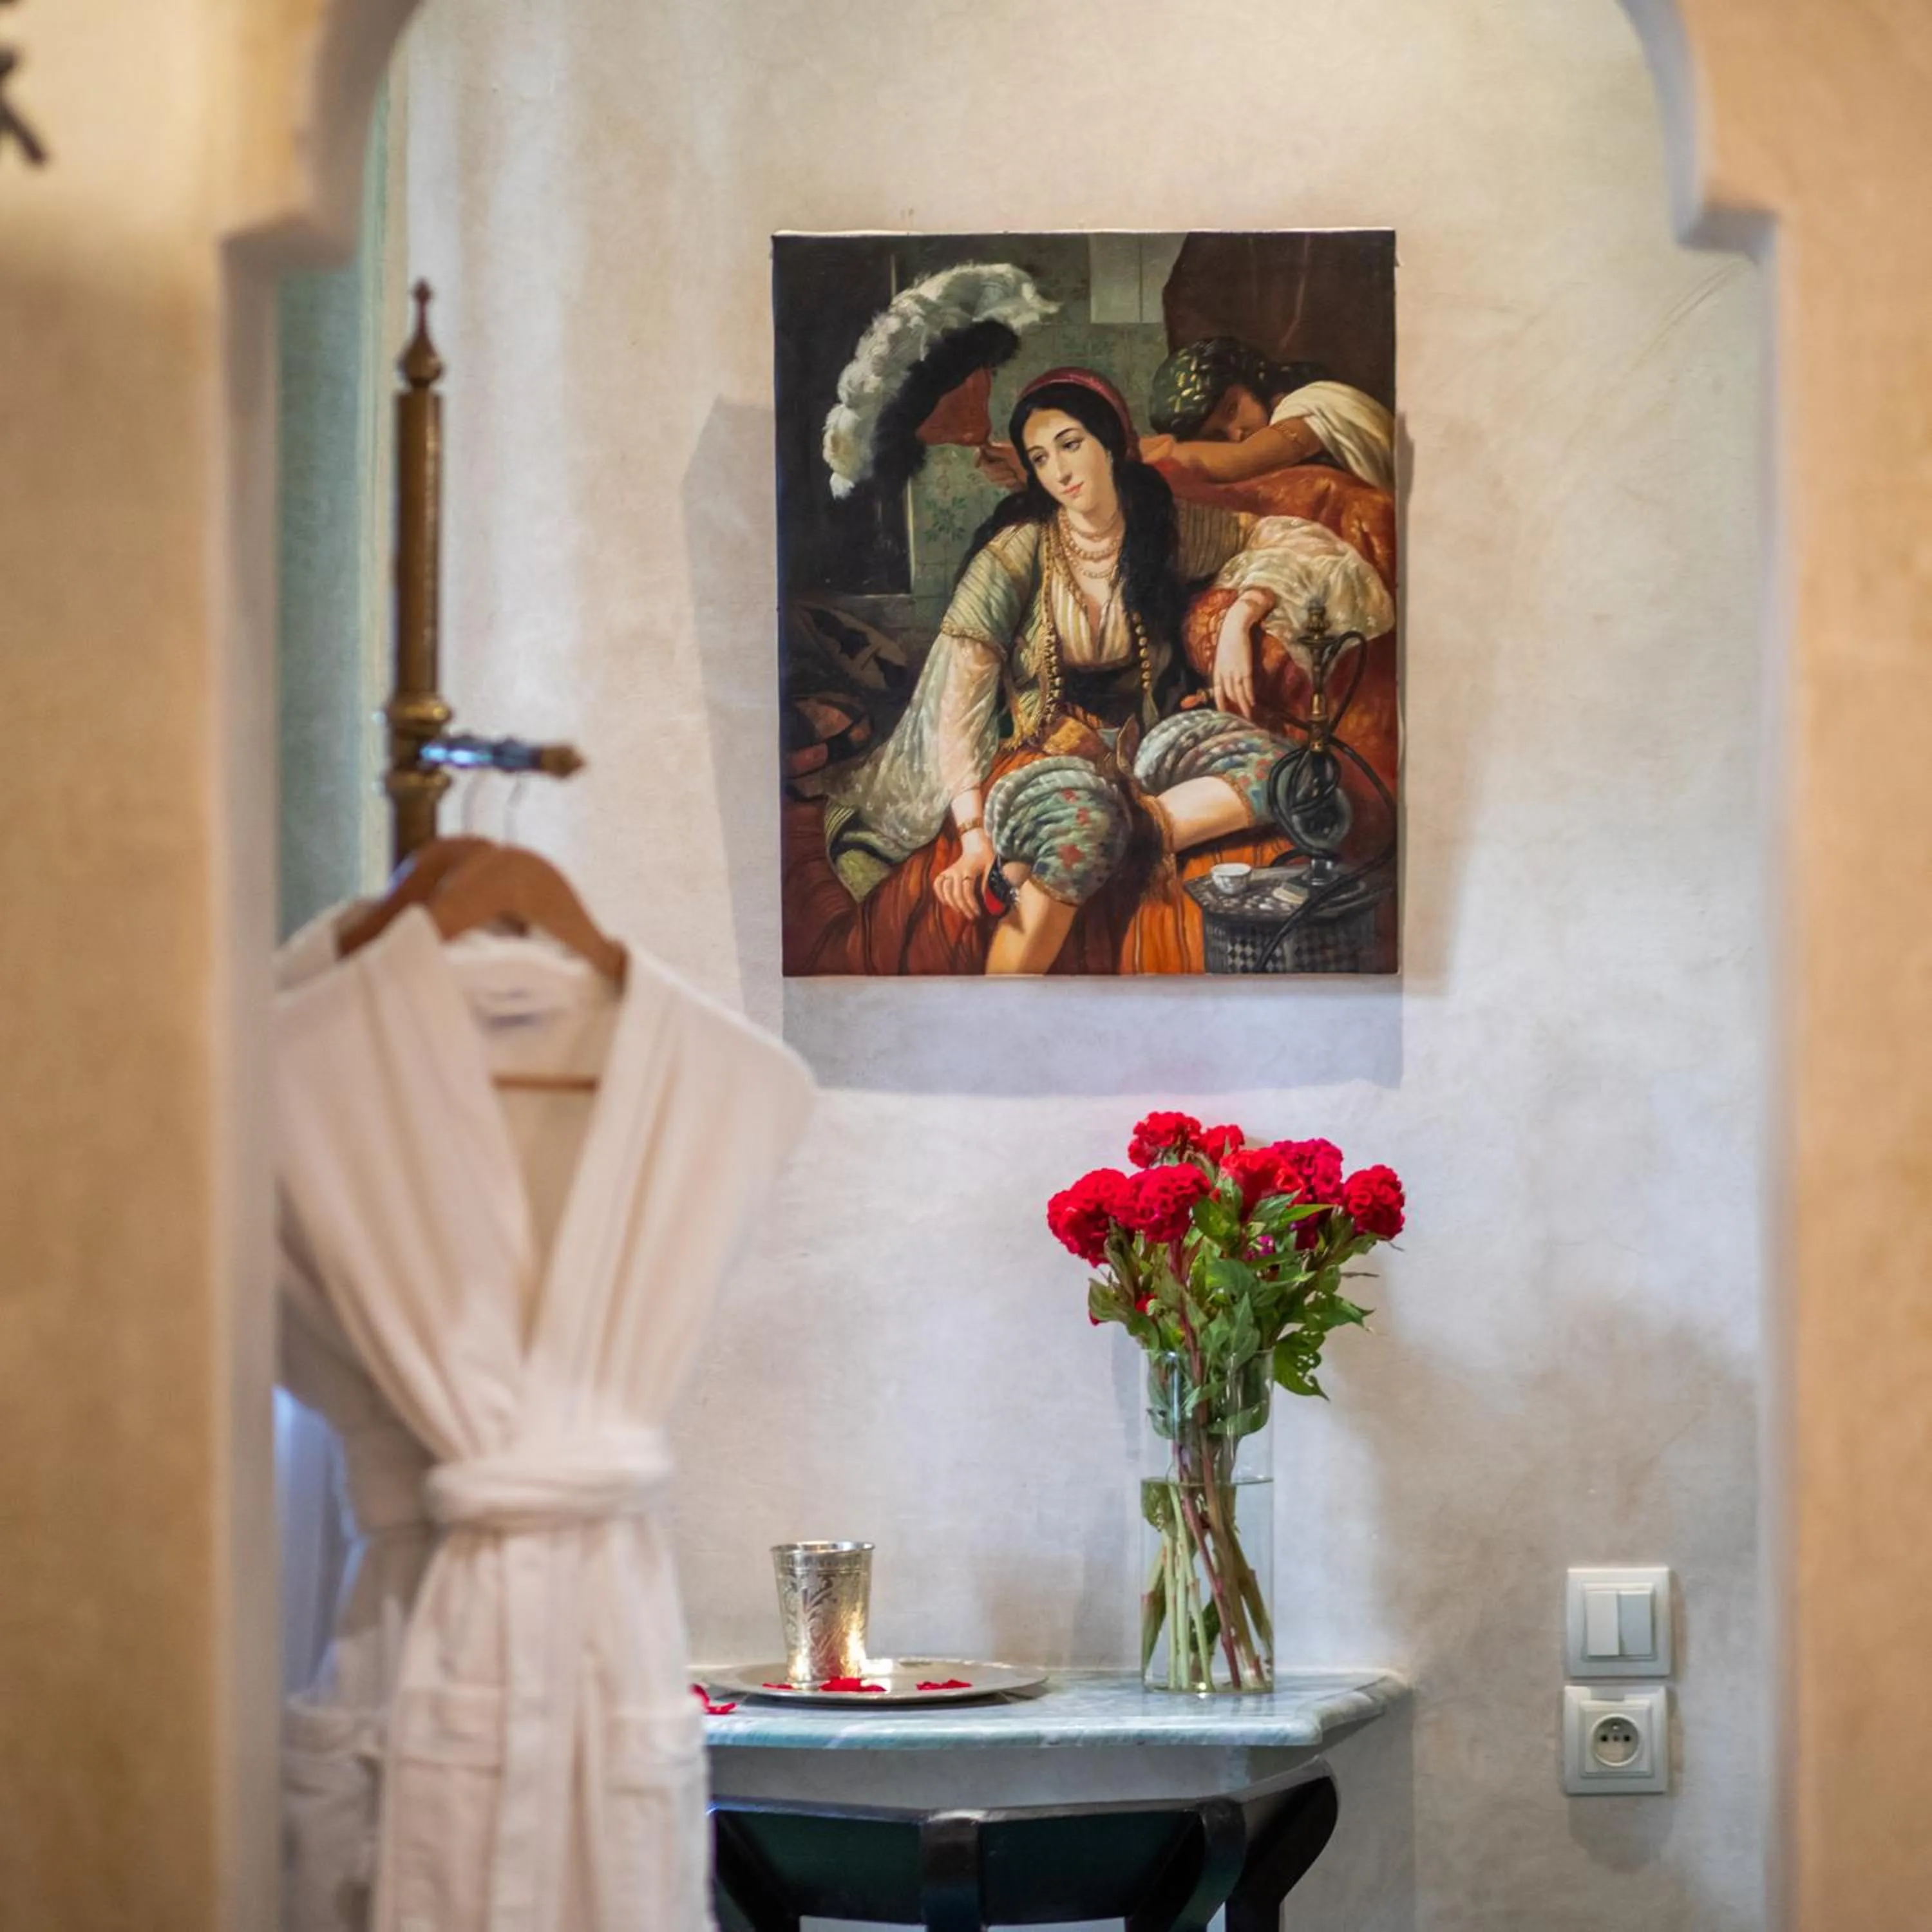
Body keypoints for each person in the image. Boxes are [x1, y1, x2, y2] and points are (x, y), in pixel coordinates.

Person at [824, 367, 1291, 975]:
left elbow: (1287, 540)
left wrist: (1241, 617)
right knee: (1084, 824)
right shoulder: (1017, 552)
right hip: (1036, 752)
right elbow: (960, 701)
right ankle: (1007, 1015)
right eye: (1040, 458)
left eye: (1071, 445)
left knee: (1284, 770)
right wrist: (971, 838)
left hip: (1140, 748)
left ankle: (1135, 832)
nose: (1060, 472)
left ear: (1112, 443)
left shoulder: (1164, 527)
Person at [1141, 336, 1396, 493]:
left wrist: (1161, 450)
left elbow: (1245, 458)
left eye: (1231, 410)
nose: (1236, 434)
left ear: (1249, 380)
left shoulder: (1310, 405)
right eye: (1217, 436)